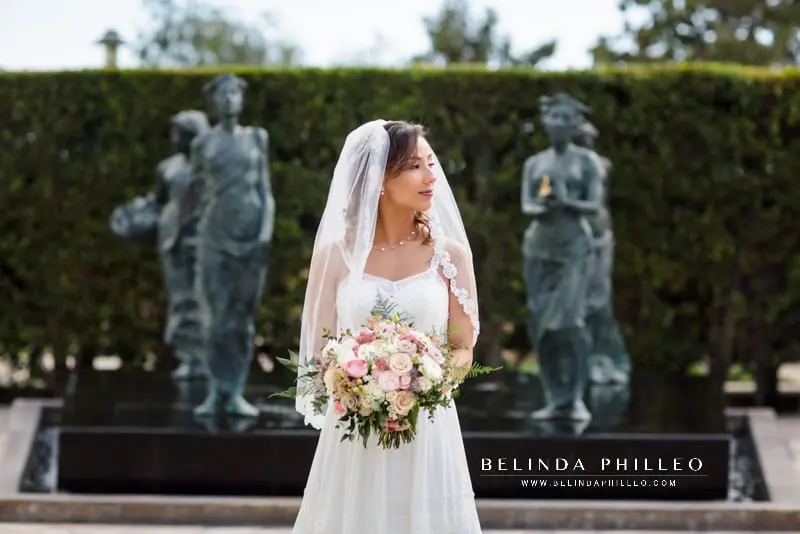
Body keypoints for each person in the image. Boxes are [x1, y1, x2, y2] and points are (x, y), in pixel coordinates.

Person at [292, 120, 482, 533]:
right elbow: (320, 350)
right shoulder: (335, 255)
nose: (432, 177)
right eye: (415, 166)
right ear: (379, 177)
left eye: (431, 163)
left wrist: (422, 383)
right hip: (355, 428)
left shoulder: (450, 256)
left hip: (429, 427)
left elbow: (463, 347)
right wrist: (356, 382)